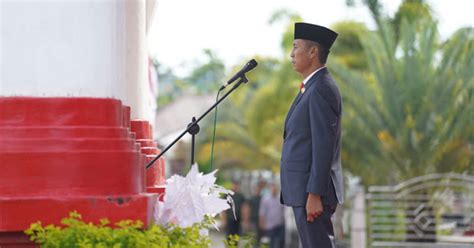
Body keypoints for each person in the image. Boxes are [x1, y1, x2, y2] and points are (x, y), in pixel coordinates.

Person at [280, 22, 344, 248]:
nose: (291, 54)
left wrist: (315, 194)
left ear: (313, 51)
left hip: (311, 193)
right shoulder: (310, 87)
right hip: (303, 190)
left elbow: (323, 145)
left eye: (296, 47)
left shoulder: (321, 88)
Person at [259, 182, 285, 248]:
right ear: (270, 189)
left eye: (275, 188)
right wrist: (262, 224)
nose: (274, 189)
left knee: (280, 242)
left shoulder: (280, 198)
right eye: (272, 188)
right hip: (270, 225)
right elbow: (262, 213)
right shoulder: (265, 199)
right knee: (271, 243)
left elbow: (284, 210)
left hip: (280, 224)